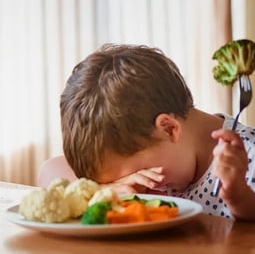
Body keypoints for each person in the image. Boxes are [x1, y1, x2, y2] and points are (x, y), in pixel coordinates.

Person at [38, 44, 255, 221]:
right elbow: (49, 171)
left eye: (138, 172)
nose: (131, 182)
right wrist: (104, 190)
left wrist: (240, 198)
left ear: (169, 129)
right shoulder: (157, 147)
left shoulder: (247, 156)